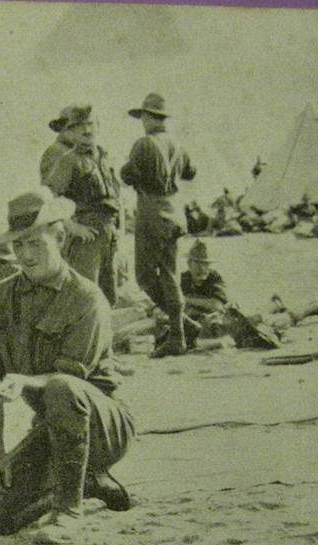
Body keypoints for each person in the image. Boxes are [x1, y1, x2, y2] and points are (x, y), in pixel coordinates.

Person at [0, 189, 135, 545]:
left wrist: (27, 380)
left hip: (102, 428)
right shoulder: (0, 297)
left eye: (35, 244)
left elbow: (70, 380)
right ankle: (87, 484)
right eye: (18, 246)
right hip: (53, 431)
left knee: (61, 387)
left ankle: (68, 511)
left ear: (59, 238)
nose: (25, 255)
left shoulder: (86, 297)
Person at [120, 93, 197, 357]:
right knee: (169, 273)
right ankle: (181, 331)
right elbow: (191, 172)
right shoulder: (177, 144)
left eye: (143, 116)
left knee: (144, 276)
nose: (142, 121)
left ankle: (181, 329)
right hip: (175, 211)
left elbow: (127, 174)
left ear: (149, 117)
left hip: (152, 212)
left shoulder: (144, 144)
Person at [180, 239, 318, 349]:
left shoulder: (214, 278)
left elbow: (216, 304)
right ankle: (275, 305)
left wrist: (185, 299)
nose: (202, 268)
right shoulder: (184, 279)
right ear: (189, 264)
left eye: (205, 264)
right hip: (212, 324)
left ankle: (315, 307)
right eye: (198, 263)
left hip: (231, 319)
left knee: (276, 321)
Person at [40, 104, 121, 305]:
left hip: (108, 234)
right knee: (83, 295)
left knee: (109, 296)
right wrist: (71, 226)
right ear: (71, 131)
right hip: (86, 234)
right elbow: (48, 196)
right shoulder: (68, 160)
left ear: (98, 126)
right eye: (79, 126)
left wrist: (118, 228)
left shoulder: (104, 156)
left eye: (91, 124)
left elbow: (115, 196)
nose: (87, 130)